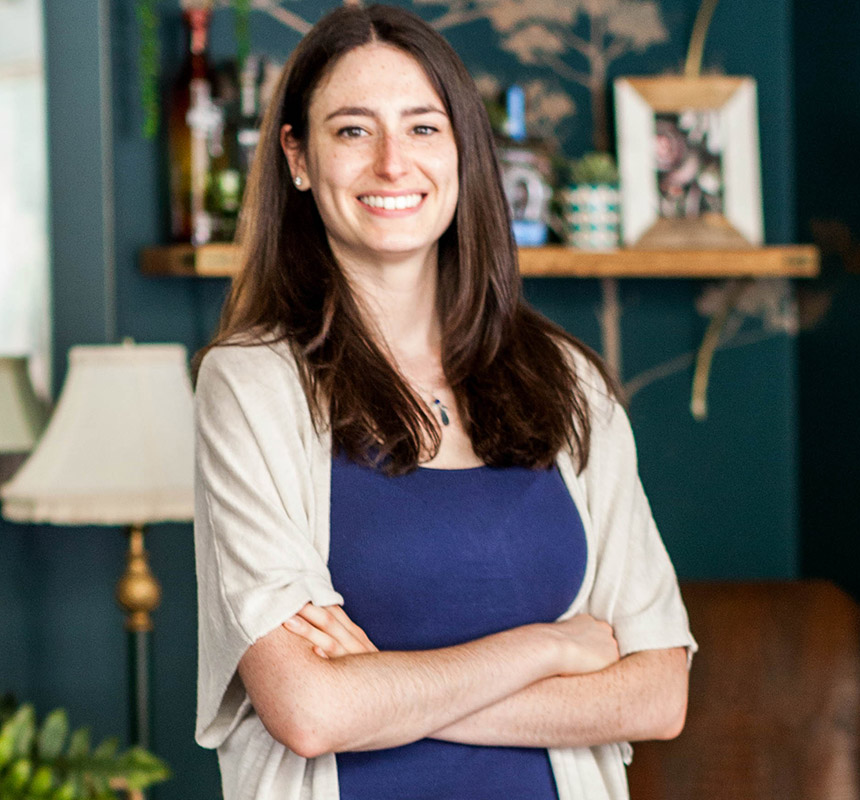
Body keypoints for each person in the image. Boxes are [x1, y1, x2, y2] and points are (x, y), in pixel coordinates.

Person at [192, 5, 696, 799]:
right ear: (296, 156)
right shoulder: (252, 386)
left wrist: (384, 692)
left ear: (465, 150)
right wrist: (546, 648)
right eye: (353, 131)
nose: (394, 164)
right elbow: (311, 711)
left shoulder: (567, 380)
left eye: (424, 128)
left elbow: (659, 692)